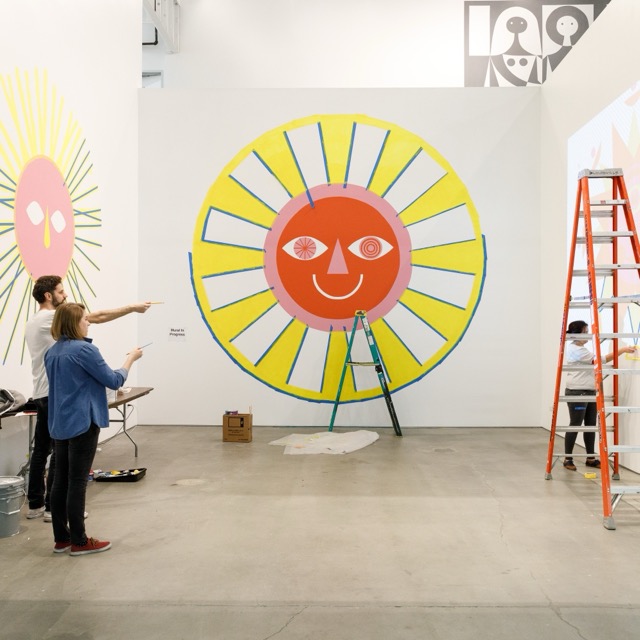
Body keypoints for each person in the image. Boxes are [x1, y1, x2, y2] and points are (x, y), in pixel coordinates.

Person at [24, 275, 150, 521]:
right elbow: (98, 318)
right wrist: (132, 308)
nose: (66, 295)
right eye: (61, 292)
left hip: (42, 392)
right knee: (63, 462)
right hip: (55, 395)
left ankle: (37, 504)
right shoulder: (57, 322)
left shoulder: (33, 322)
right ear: (48, 296)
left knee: (42, 450)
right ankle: (54, 510)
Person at [45, 303, 143, 555]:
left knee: (59, 481)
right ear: (73, 323)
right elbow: (114, 379)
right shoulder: (85, 350)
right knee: (77, 482)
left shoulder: (53, 352)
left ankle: (62, 538)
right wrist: (129, 360)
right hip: (82, 422)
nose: (88, 322)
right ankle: (79, 541)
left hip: (59, 423)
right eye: (84, 319)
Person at [563, 319, 636, 470]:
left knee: (590, 425)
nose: (588, 335)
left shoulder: (580, 349)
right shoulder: (576, 350)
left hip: (589, 391)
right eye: (585, 332)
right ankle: (567, 459)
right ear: (578, 334)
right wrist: (622, 351)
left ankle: (590, 458)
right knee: (575, 424)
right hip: (578, 392)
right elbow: (600, 361)